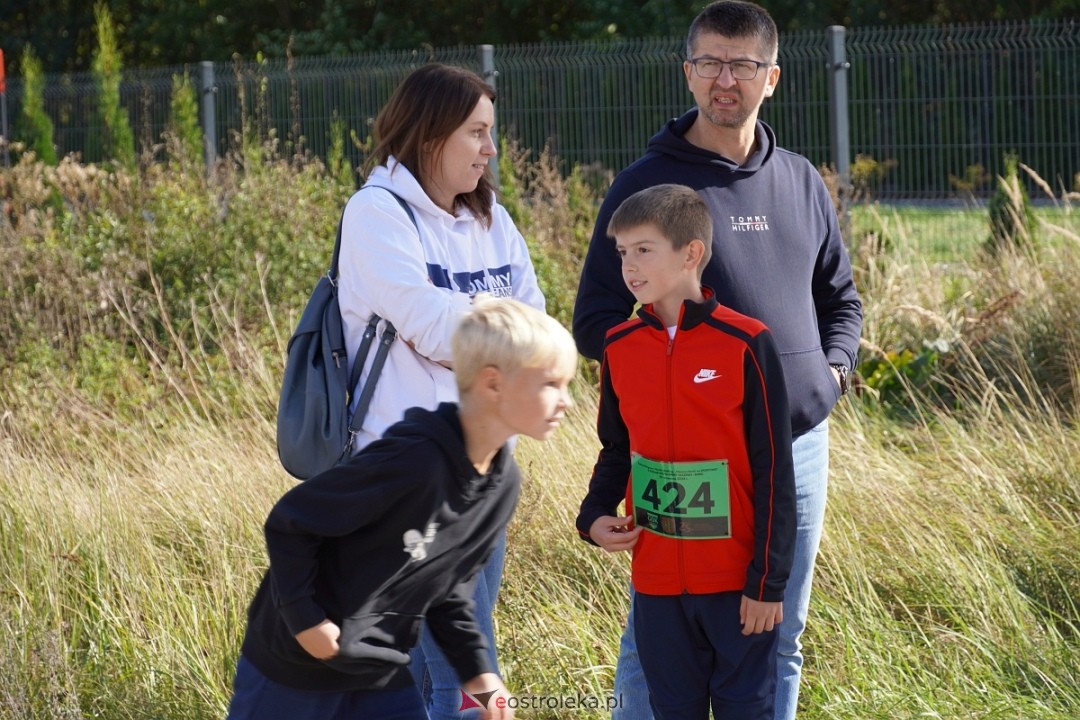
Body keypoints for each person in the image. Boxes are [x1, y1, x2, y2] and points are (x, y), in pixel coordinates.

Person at [571, 3, 863, 719]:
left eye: (741, 64)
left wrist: (830, 375)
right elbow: (597, 322)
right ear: (687, 72)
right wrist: (678, 389)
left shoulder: (799, 180)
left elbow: (843, 301)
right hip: (687, 462)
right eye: (709, 62)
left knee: (778, 626)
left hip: (796, 446)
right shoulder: (651, 184)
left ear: (773, 78)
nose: (723, 79)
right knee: (659, 637)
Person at [226, 296, 578, 720]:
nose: (566, 401)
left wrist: (479, 674)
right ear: (493, 384)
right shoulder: (413, 460)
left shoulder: (500, 486)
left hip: (381, 670)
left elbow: (450, 590)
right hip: (294, 667)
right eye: (551, 384)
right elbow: (292, 522)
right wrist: (305, 621)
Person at [337, 63, 546, 719]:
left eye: (491, 133)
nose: (491, 149)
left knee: (442, 677)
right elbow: (431, 329)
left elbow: (537, 323)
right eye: (477, 133)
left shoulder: (491, 220)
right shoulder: (376, 213)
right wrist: (499, 321)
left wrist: (489, 326)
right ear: (430, 136)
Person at [576, 184, 796, 719]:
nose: (629, 266)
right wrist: (593, 517)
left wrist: (767, 583)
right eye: (622, 252)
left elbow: (775, 471)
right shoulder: (620, 347)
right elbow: (616, 448)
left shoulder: (746, 343)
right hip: (656, 590)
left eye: (644, 250)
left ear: (691, 253)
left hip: (737, 588)